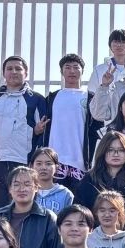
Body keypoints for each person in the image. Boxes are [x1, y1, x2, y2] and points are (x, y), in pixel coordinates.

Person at [0, 55, 48, 212]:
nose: (13, 72)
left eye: (18, 68)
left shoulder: (36, 99)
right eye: (9, 68)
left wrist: (35, 132)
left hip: (22, 161)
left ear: (26, 73)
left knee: (22, 211)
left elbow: (43, 134)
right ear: (4, 73)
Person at [75, 131, 125, 243]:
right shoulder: (88, 181)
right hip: (92, 241)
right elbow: (79, 214)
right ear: (103, 151)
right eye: (110, 150)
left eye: (121, 150)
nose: (116, 154)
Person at [41, 53, 98, 183]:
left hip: (81, 162)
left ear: (82, 71)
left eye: (76, 67)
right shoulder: (52, 98)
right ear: (62, 71)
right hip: (55, 161)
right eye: (67, 67)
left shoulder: (90, 97)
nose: (72, 71)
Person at [0, 165, 61, 248]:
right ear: (10, 189)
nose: (22, 189)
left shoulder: (48, 218)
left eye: (27, 184)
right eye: (16, 184)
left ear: (36, 188)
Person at [31, 147, 75, 215]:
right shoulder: (26, 191)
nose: (43, 168)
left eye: (48, 164)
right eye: (39, 164)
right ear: (31, 166)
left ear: (56, 167)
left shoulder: (65, 194)